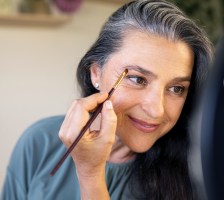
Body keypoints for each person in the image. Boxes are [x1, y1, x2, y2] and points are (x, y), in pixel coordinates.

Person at [1, 0, 213, 199]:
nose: (157, 110)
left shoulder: (200, 175)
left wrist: (91, 174)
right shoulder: (39, 142)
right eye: (137, 79)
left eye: (176, 88)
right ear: (96, 74)